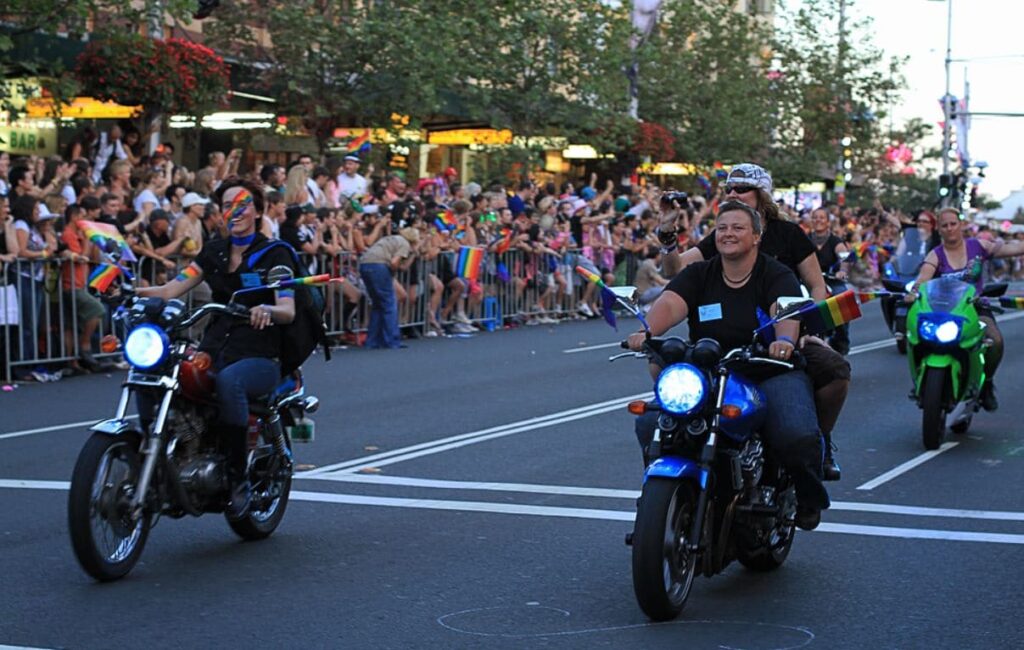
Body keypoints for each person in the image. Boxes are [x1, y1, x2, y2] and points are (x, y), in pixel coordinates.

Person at [628, 201, 830, 530]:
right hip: (709, 368)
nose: (728, 233)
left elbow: (786, 311)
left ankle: (806, 495)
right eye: (722, 228)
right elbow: (670, 302)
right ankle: (660, 495)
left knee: (795, 432)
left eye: (737, 228)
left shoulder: (775, 273)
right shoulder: (700, 273)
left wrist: (784, 342)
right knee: (650, 422)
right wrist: (646, 332)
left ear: (756, 236)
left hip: (765, 367)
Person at [659, 163, 848, 482]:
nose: (733, 194)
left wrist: (806, 330)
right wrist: (667, 235)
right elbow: (674, 271)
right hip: (724, 344)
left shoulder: (788, 234)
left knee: (835, 371)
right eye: (729, 189)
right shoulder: (724, 232)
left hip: (781, 341)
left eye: (741, 189)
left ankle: (820, 442)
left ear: (762, 196)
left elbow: (817, 286)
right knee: (662, 380)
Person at [136, 179, 298, 519]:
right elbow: (171, 289)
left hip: (258, 353)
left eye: (241, 204)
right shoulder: (214, 250)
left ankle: (238, 479)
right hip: (214, 345)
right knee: (158, 372)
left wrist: (266, 309)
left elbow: (288, 308)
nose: (234, 211)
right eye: (227, 204)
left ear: (257, 209)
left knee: (230, 382)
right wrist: (129, 292)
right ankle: (161, 455)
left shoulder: (275, 253)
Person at [906, 208, 1024, 411]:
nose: (950, 228)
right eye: (944, 225)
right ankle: (920, 380)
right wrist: (914, 292)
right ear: (939, 230)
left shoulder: (978, 246)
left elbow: (1012, 249)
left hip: (974, 309)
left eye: (953, 223)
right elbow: (923, 278)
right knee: (915, 337)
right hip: (942, 313)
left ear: (961, 225)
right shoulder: (935, 255)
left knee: (995, 341)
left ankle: (986, 384)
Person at [358, 227, 419, 349]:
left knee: (378, 305)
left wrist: (413, 255)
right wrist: (391, 273)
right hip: (379, 266)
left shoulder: (391, 239)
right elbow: (395, 263)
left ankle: (373, 340)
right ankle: (391, 340)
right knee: (389, 304)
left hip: (365, 264)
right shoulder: (404, 244)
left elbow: (403, 267)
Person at [810, 207, 851, 355]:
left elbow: (845, 258)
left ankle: (842, 340)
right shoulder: (805, 240)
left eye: (822, 217)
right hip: (811, 283)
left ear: (828, 221)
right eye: (815, 217)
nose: (818, 220)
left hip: (832, 282)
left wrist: (842, 271)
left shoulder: (836, 241)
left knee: (843, 300)